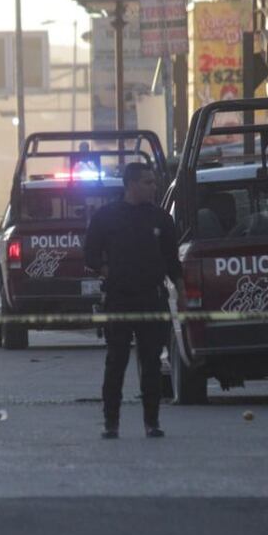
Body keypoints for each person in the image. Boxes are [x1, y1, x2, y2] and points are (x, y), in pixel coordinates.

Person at [84, 162, 186, 440]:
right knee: (116, 361)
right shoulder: (107, 216)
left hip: (152, 298)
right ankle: (111, 423)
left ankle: (151, 422)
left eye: (154, 182)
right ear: (131, 185)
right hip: (119, 298)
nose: (154, 187)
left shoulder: (161, 218)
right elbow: (90, 253)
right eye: (148, 182)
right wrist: (107, 270)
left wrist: (181, 290)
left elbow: (171, 260)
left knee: (151, 362)